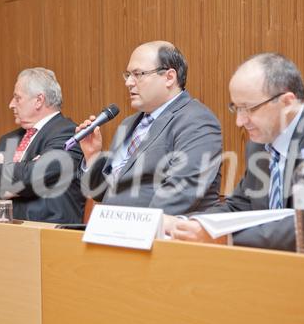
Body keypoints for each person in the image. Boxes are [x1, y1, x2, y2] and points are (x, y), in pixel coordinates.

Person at [168, 53, 304, 251]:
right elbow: (240, 205)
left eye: (249, 108)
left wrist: (223, 237)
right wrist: (190, 224)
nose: (240, 121)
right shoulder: (260, 143)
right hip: (278, 262)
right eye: (236, 108)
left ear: (287, 102)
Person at [77, 41, 222, 216]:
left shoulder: (196, 120)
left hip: (162, 236)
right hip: (115, 232)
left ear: (169, 77)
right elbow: (102, 193)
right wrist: (92, 156)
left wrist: (136, 226)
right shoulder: (128, 124)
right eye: (128, 75)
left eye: (138, 74)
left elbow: (184, 189)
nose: (129, 83)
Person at [0, 67, 85, 223]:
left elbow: (33, 176)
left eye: (17, 98)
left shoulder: (69, 133)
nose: (11, 104)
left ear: (39, 100)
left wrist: (9, 170)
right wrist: (24, 171)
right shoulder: (9, 139)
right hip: (6, 229)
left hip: (48, 232)